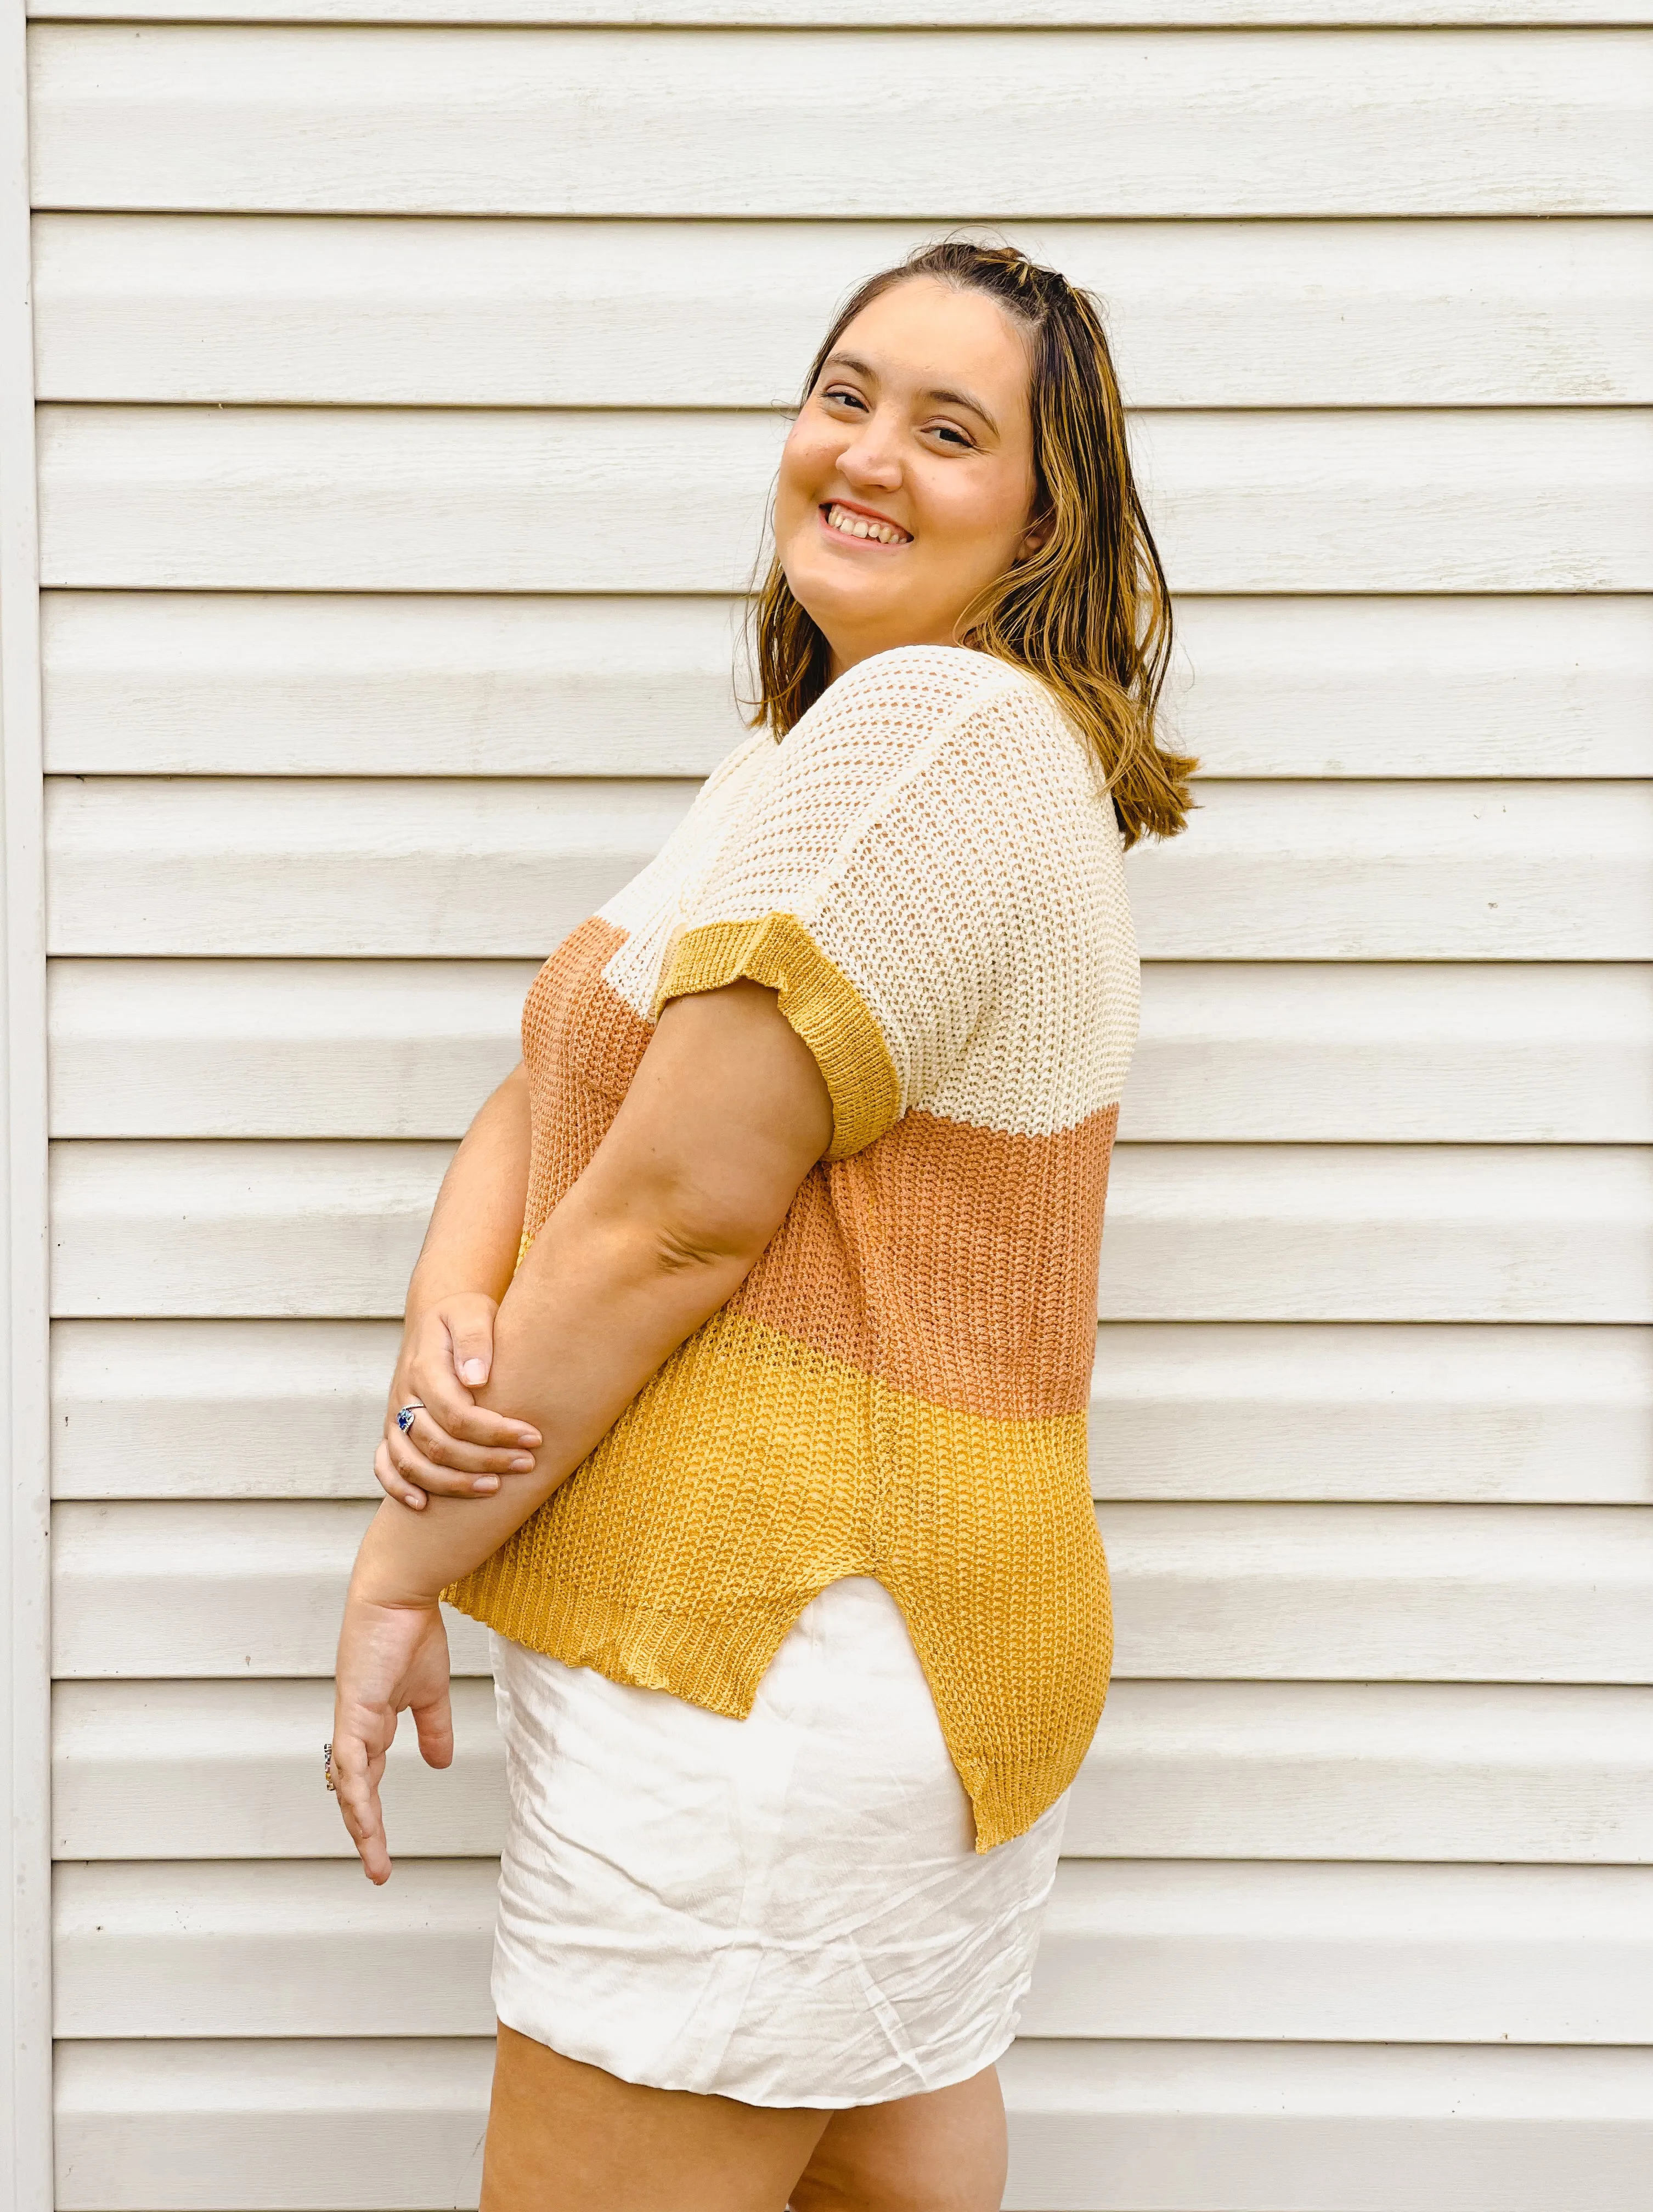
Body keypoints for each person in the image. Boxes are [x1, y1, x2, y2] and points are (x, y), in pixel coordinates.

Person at [326, 238, 1193, 2212]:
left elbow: (664, 1221)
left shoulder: (935, 748)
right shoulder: (804, 758)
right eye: (845, 392)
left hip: (771, 1669)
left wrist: (399, 1568)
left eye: (952, 429)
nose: (869, 451)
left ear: (1045, 517)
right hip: (877, 1653)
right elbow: (554, 1105)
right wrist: (450, 1314)